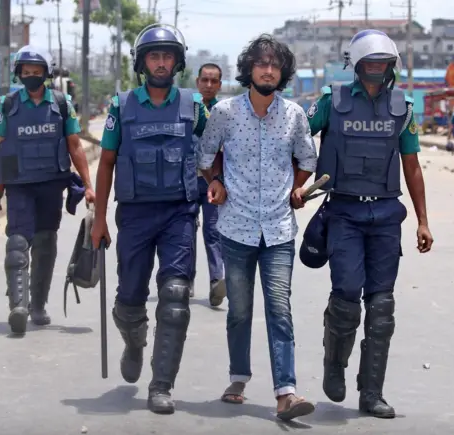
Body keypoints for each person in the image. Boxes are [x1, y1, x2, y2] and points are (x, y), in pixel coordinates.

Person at [302, 29, 434, 419]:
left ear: (392, 66)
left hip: (385, 217)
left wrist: (423, 221)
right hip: (343, 213)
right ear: (356, 68)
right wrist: (295, 185)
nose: (377, 70)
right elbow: (294, 137)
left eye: (383, 64)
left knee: (382, 306)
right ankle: (334, 363)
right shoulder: (331, 102)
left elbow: (411, 163)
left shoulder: (403, 108)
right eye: (370, 65)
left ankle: (372, 391)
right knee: (345, 294)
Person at [90, 23, 209, 415]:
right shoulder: (121, 106)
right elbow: (107, 163)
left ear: (178, 61)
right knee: (130, 299)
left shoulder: (194, 106)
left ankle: (161, 384)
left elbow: (214, 152)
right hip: (136, 215)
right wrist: (99, 219)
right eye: (154, 56)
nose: (161, 63)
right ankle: (133, 340)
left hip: (179, 213)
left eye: (168, 56)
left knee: (175, 298)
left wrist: (218, 181)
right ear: (142, 63)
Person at [198, 34, 318, 421]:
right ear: (249, 69)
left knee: (279, 309)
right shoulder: (226, 113)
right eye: (261, 63)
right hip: (235, 227)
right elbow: (206, 156)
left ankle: (287, 393)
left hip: (280, 229)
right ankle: (238, 376)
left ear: (282, 74)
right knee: (240, 310)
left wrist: (298, 188)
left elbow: (306, 158)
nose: (268, 69)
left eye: (275, 65)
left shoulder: (295, 115)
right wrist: (215, 180)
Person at [0, 45, 95, 335]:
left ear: (46, 74)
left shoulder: (61, 104)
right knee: (18, 241)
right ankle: (18, 306)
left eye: (36, 72)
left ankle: (38, 305)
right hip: (19, 184)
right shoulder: (9, 104)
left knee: (46, 243)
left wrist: (88, 185)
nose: (31, 77)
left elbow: (75, 145)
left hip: (51, 183)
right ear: (18, 74)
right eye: (26, 72)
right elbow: (0, 149)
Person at [192, 62, 225, 306]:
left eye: (214, 81)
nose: (209, 85)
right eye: (205, 80)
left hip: (213, 181)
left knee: (213, 231)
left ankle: (217, 282)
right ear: (197, 82)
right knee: (185, 231)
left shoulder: (225, 112)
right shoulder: (186, 108)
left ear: (220, 85)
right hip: (186, 180)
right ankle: (184, 280)